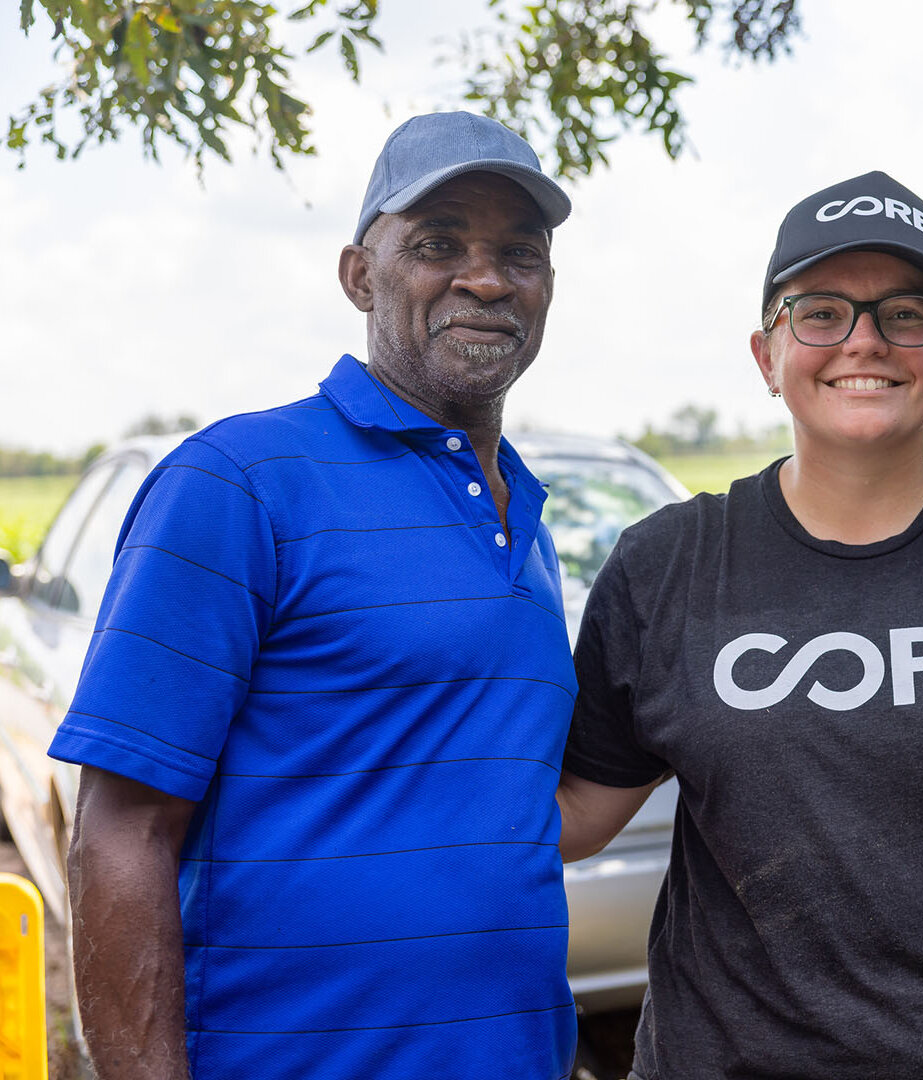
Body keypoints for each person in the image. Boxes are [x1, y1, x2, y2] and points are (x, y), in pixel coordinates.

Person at [555, 171, 923, 1078]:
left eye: (905, 314)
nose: (863, 341)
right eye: (821, 312)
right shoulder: (666, 564)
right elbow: (576, 818)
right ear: (766, 352)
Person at [50, 112, 580, 1079]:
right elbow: (121, 832)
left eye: (520, 252)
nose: (487, 278)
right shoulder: (241, 481)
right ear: (356, 275)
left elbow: (515, 805)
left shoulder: (528, 523)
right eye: (436, 244)